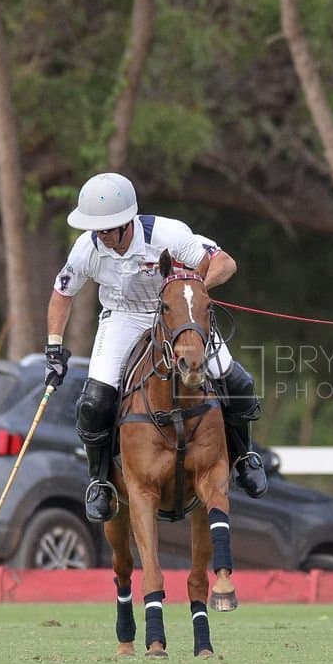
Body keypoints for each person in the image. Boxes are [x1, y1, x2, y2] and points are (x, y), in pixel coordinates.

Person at [43, 172, 268, 523]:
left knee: (236, 382)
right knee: (94, 401)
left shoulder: (167, 234)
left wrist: (192, 291)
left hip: (178, 316)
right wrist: (54, 349)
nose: (101, 236)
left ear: (126, 222)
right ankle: (100, 481)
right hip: (123, 317)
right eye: (96, 229)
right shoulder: (87, 248)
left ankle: (244, 458)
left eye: (107, 229)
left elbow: (225, 263)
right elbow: (62, 294)